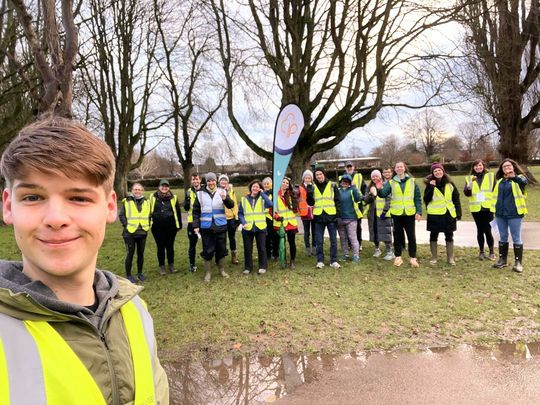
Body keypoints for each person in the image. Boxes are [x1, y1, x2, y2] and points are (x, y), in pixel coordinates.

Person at [0, 116, 169, 403]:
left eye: (78, 198)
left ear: (110, 206)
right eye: (32, 197)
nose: (55, 219)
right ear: (8, 206)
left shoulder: (135, 311)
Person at [377, 161, 422, 267]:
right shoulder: (391, 182)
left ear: (404, 168)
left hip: (409, 213)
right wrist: (379, 188)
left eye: (401, 167)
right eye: (397, 167)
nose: (399, 169)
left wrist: (419, 211)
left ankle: (413, 258)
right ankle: (398, 257)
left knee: (411, 236)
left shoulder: (412, 181)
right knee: (397, 236)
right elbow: (383, 194)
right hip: (396, 214)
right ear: (395, 170)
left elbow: (417, 198)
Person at [192, 172, 235, 282]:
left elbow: (231, 205)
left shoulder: (222, 191)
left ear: (216, 181)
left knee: (221, 249)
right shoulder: (200, 193)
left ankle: (222, 270)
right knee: (208, 250)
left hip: (220, 225)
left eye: (213, 180)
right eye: (209, 181)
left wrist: (225, 198)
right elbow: (196, 211)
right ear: (206, 182)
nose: (211, 182)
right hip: (206, 227)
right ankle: (208, 272)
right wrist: (196, 225)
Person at [491, 159, 528, 273]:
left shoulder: (520, 178)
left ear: (514, 167)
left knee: (516, 237)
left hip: (515, 214)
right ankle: (502, 260)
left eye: (509, 166)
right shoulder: (500, 181)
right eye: (504, 166)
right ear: (502, 170)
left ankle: (518, 263)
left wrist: (513, 177)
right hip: (500, 214)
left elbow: (524, 182)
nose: (507, 168)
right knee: (503, 236)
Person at [423, 163, 462, 266]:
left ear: (443, 171)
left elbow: (456, 199)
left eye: (439, 170)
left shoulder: (450, 184)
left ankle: (450, 258)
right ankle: (434, 257)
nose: (438, 172)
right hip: (434, 215)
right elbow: (426, 199)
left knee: (449, 235)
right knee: (433, 235)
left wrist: (458, 213)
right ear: (432, 173)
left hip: (448, 214)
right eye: (435, 171)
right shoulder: (429, 184)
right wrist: (431, 187)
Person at [306, 167, 341, 269]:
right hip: (318, 217)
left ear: (324, 174)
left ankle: (333, 260)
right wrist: (308, 194)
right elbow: (311, 203)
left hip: (331, 216)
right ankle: (320, 260)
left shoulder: (332, 185)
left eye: (320, 174)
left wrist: (338, 216)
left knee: (333, 240)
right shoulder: (313, 187)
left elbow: (338, 201)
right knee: (319, 241)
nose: (319, 176)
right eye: (317, 175)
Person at [463, 159, 496, 260]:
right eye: (476, 166)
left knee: (488, 230)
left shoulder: (490, 176)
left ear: (483, 166)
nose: (478, 167)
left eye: (480, 165)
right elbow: (467, 194)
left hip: (488, 207)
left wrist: (495, 205)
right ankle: (481, 252)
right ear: (473, 168)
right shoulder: (469, 178)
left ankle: (491, 252)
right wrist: (468, 187)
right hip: (476, 209)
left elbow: (495, 190)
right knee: (480, 230)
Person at [238, 179, 273, 274]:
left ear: (260, 189)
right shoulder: (244, 199)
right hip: (247, 227)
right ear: (251, 188)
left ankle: (262, 266)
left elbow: (270, 204)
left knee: (262, 248)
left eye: (257, 187)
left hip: (260, 227)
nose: (255, 188)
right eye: (254, 186)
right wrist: (243, 222)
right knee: (247, 249)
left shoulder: (263, 198)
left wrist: (263, 194)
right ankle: (248, 267)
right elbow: (240, 213)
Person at [118, 182, 150, 283]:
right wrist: (126, 225)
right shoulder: (126, 201)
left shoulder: (146, 201)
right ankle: (129, 275)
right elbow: (121, 215)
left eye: (139, 189)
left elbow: (149, 215)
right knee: (130, 254)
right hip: (130, 233)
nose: (137, 191)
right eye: (135, 189)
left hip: (142, 232)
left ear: (142, 191)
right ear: (132, 191)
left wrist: (148, 224)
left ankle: (140, 273)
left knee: (140, 254)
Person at [150, 179, 182, 275]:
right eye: (162, 186)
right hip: (157, 228)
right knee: (160, 247)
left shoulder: (174, 197)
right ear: (159, 187)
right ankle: (162, 267)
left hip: (171, 227)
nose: (164, 188)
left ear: (169, 188)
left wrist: (179, 225)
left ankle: (171, 265)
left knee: (170, 246)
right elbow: (148, 210)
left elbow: (178, 212)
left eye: (166, 186)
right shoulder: (152, 197)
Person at [364, 170, 394, 261]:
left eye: (376, 176)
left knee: (386, 232)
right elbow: (366, 200)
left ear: (380, 176)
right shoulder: (370, 187)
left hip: (383, 213)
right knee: (374, 231)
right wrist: (371, 194)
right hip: (373, 213)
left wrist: (385, 211)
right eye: (373, 176)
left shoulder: (385, 185)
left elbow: (389, 200)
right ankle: (377, 249)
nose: (374, 178)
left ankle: (390, 251)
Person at [274, 177, 299, 268]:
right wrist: (276, 216)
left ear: (289, 185)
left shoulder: (292, 194)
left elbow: (296, 209)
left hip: (291, 223)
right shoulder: (275, 195)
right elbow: (271, 209)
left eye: (287, 183)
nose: (285, 184)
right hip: (280, 223)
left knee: (291, 242)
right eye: (283, 182)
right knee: (281, 243)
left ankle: (292, 261)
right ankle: (282, 259)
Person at [336, 174, 362, 263]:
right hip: (340, 218)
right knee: (343, 238)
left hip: (351, 218)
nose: (344, 183)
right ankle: (345, 254)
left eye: (346, 182)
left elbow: (358, 199)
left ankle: (356, 255)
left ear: (349, 183)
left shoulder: (352, 190)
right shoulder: (337, 190)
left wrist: (355, 188)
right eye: (343, 181)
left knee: (352, 237)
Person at [343, 161, 367, 250]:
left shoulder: (359, 176)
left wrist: (363, 200)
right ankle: (350, 244)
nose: (349, 168)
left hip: (358, 205)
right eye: (348, 167)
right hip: (347, 205)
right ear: (345, 168)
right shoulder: (342, 177)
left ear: (354, 167)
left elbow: (364, 189)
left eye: (351, 166)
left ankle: (359, 243)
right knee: (347, 226)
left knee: (358, 225)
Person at [219, 174, 240, 265]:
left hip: (231, 218)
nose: (223, 182)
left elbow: (234, 204)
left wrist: (236, 217)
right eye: (221, 180)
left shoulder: (231, 191)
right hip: (221, 218)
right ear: (219, 182)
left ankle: (233, 256)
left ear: (227, 182)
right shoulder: (217, 191)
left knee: (232, 238)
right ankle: (221, 256)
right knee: (221, 239)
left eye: (225, 180)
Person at [183, 173, 202, 272]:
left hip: (203, 221)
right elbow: (186, 208)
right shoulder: (188, 192)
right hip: (191, 222)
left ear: (200, 180)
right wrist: (186, 201)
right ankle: (192, 264)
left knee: (207, 242)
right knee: (192, 244)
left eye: (197, 179)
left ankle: (209, 261)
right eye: (193, 179)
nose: (195, 181)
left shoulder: (204, 191)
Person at [297, 170, 316, 256]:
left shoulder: (314, 187)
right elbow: (297, 199)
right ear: (303, 178)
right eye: (306, 177)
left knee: (314, 231)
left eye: (309, 178)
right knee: (306, 231)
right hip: (305, 211)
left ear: (311, 179)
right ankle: (307, 248)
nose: (307, 179)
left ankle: (314, 247)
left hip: (314, 211)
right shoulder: (300, 188)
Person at [262, 177, 279, 260]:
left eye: (268, 183)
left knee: (274, 236)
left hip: (272, 217)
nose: (266, 185)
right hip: (263, 218)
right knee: (266, 237)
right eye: (264, 184)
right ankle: (268, 254)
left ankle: (275, 253)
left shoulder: (274, 193)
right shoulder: (261, 194)